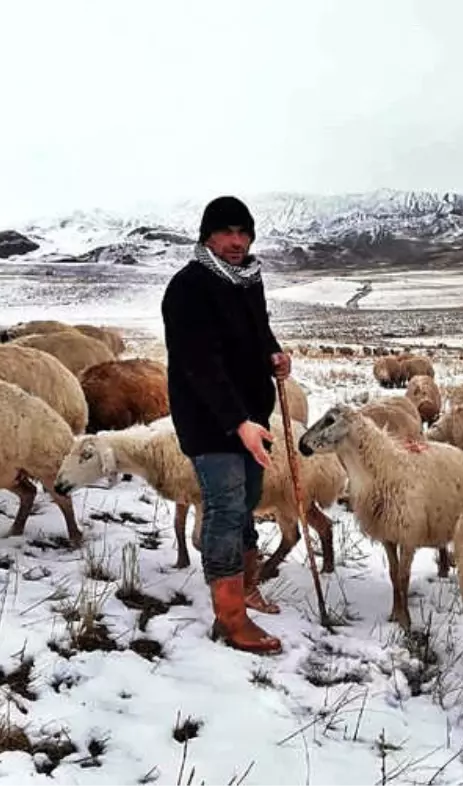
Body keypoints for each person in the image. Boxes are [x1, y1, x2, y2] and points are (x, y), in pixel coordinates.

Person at [161, 195, 291, 655]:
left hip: (251, 418)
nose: (236, 242)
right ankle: (231, 618)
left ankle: (247, 583)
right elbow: (201, 365)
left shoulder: (248, 280)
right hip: (210, 420)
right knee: (225, 507)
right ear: (207, 236)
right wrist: (238, 423)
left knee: (250, 499)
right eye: (226, 233)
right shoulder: (188, 287)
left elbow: (260, 332)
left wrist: (275, 354)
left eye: (243, 233)